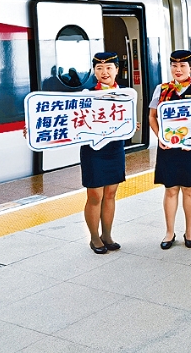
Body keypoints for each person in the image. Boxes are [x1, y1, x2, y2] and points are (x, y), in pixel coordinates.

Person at [149, 50, 191, 250]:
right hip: (168, 147)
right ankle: (169, 232)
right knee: (171, 189)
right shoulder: (161, 89)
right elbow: (152, 117)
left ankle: (189, 232)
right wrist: (160, 137)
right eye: (174, 66)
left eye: (183, 66)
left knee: (189, 190)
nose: (178, 69)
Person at [82, 52, 135, 254]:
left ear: (117, 70)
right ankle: (94, 237)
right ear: (94, 72)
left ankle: (107, 235)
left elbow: (127, 119)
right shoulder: (86, 94)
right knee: (95, 195)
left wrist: (133, 124)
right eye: (99, 68)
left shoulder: (126, 94)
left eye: (109, 68)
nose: (104, 72)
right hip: (93, 150)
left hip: (115, 149)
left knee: (111, 194)